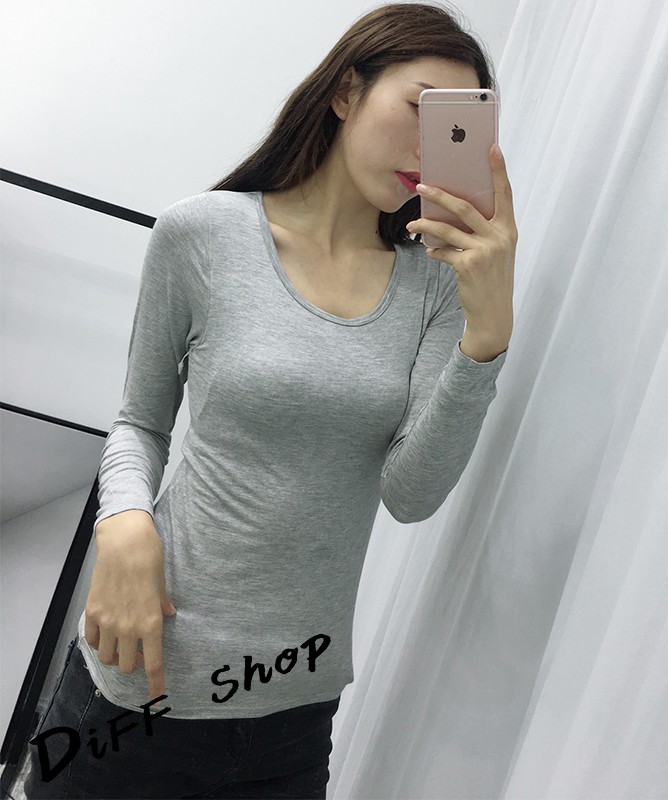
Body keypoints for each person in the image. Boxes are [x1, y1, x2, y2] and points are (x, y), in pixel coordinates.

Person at [24, 2, 516, 798]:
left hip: (293, 714)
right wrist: (123, 526)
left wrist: (486, 336)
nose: (430, 148)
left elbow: (411, 494)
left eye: (454, 130)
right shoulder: (201, 234)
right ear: (346, 91)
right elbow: (140, 422)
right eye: (420, 109)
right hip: (137, 691)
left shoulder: (436, 286)